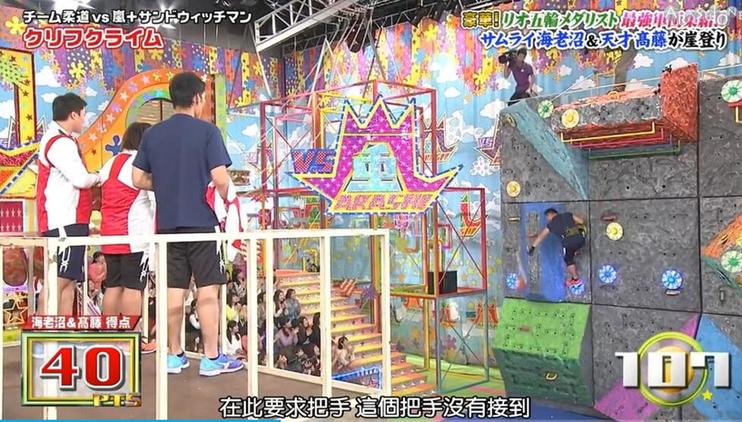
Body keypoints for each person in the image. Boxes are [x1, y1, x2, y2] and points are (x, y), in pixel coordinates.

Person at [131, 71, 241, 376]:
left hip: (167, 228)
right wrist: (227, 202)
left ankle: (174, 354)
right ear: (197, 98)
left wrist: (168, 185)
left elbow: (137, 178)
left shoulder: (153, 134)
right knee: (207, 291)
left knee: (173, 291)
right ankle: (211, 357)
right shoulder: (208, 132)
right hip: (203, 225)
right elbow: (220, 178)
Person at [36, 93, 100, 316]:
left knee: (69, 282)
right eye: (83, 114)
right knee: (57, 280)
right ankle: (42, 333)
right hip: (62, 221)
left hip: (72, 221)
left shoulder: (64, 140)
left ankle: (62, 331)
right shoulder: (60, 142)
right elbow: (80, 179)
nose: (84, 119)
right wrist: (99, 177)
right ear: (73, 114)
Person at [99, 122, 156, 354]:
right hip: (134, 236)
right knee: (133, 288)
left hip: (109, 235)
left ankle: (110, 337)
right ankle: (131, 339)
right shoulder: (139, 165)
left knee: (113, 286)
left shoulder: (109, 163)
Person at [528, 208, 587, 285]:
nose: (548, 219)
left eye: (547, 217)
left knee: (568, 259)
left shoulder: (551, 224)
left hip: (569, 243)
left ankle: (575, 279)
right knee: (572, 247)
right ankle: (575, 251)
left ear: (550, 214)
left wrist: (533, 247)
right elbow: (581, 221)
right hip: (581, 239)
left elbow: (541, 236)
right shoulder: (568, 214)